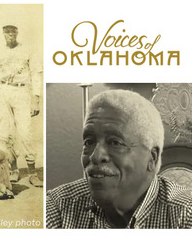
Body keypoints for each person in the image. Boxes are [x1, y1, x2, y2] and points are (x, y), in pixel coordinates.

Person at [47, 90, 192, 229]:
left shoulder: (185, 215)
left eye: (115, 143)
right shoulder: (59, 206)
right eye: (89, 142)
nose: (95, 156)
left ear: (151, 158)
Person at [0, 25, 42, 187]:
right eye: (7, 31)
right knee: (7, 132)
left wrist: (36, 98)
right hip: (2, 90)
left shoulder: (28, 50)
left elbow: (36, 74)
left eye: (12, 31)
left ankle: (32, 171)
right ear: (3, 33)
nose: (10, 34)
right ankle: (14, 169)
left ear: (17, 33)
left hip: (21, 90)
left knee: (25, 132)